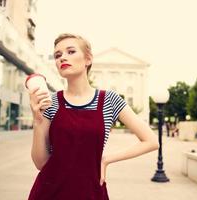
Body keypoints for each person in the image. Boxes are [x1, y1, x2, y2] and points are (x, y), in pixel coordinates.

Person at [27, 33, 159, 200]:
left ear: (88, 59)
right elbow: (41, 163)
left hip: (90, 191)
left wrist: (106, 159)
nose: (62, 58)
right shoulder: (51, 101)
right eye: (57, 55)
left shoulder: (110, 100)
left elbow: (151, 141)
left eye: (70, 51)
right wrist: (38, 122)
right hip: (49, 191)